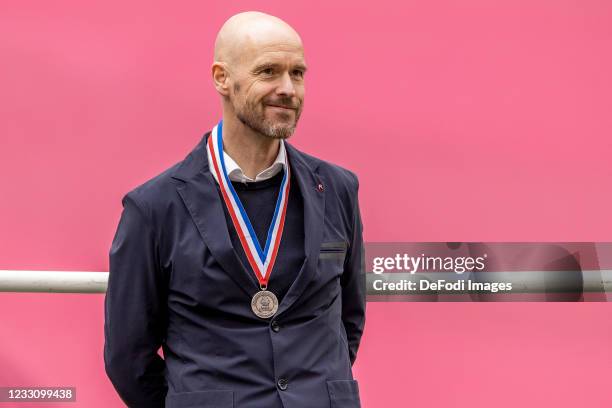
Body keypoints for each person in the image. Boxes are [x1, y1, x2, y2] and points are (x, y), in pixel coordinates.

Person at [104, 11, 365, 408]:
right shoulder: (153, 208)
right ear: (221, 78)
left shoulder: (339, 188)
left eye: (297, 73)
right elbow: (127, 357)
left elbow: (350, 317)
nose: (288, 89)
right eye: (268, 71)